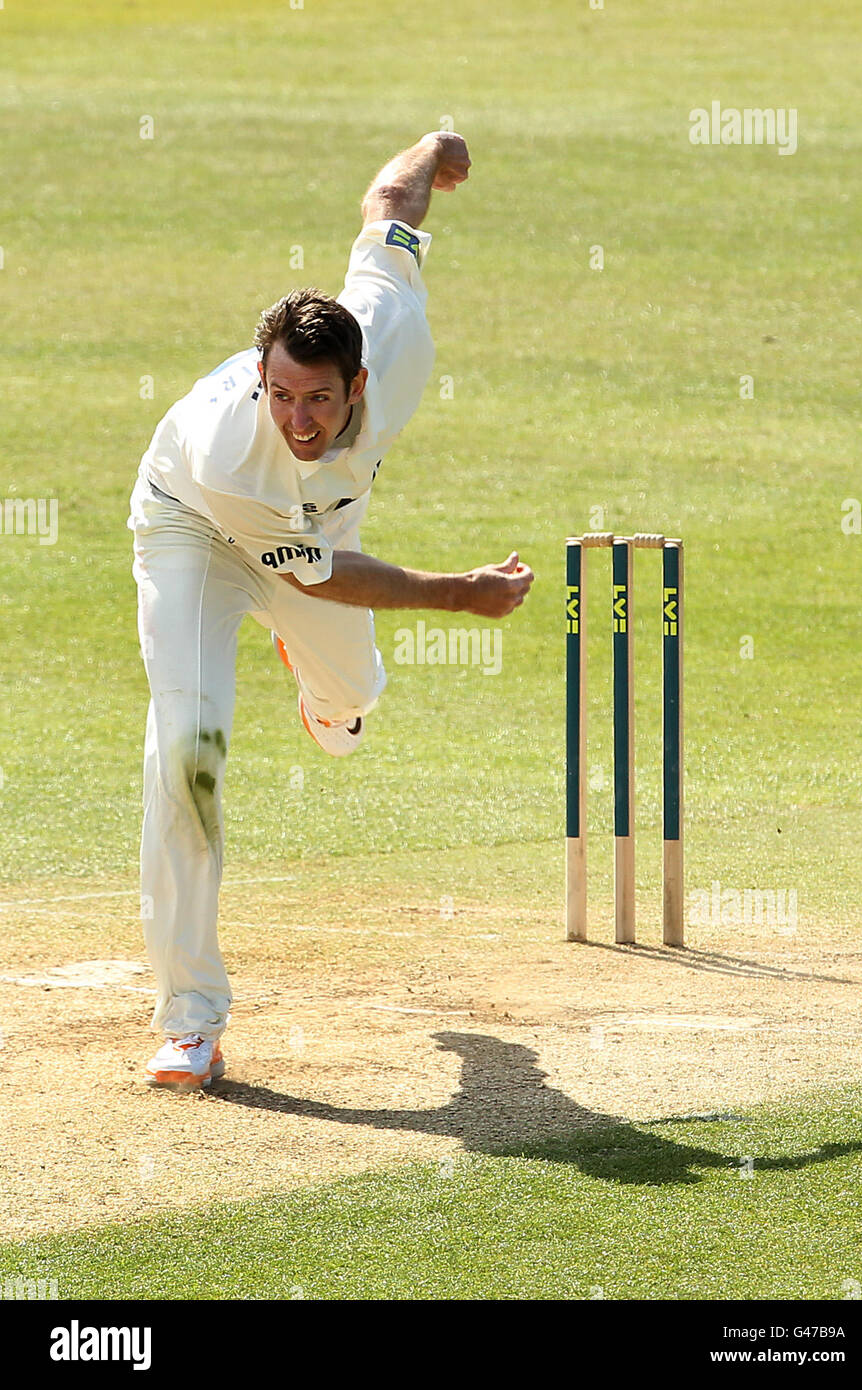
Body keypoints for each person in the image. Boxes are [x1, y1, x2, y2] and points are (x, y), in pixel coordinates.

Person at [128, 130, 535, 1091]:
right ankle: (192, 1018)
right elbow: (317, 578)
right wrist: (455, 594)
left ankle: (325, 690)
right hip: (194, 530)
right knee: (189, 753)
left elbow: (387, 213)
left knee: (352, 705)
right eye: (278, 396)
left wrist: (431, 150)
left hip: (311, 549)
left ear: (359, 384)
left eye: (316, 399)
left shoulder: (389, 331)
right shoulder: (235, 448)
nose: (298, 421)